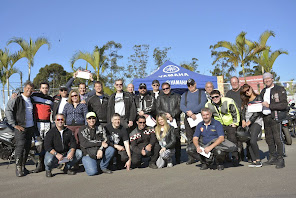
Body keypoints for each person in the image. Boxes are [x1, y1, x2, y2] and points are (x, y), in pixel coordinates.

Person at [5, 81, 38, 177]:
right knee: (20, 147)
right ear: (24, 88)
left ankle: (23, 167)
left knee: (27, 147)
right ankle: (18, 168)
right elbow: (8, 110)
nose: (29, 90)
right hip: (20, 127)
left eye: (31, 88)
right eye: (28, 88)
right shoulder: (17, 98)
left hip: (30, 127)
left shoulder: (31, 100)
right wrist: (14, 124)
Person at [205, 90, 240, 166]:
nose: (215, 98)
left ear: (220, 96)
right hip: (219, 125)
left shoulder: (229, 101)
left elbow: (235, 112)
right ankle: (225, 158)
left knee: (232, 139)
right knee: (221, 141)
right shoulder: (208, 104)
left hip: (230, 123)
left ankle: (235, 157)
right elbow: (207, 116)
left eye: (216, 96)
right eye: (213, 97)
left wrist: (235, 123)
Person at [260, 72, 288, 169]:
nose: (267, 80)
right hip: (266, 117)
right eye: (265, 79)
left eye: (268, 78)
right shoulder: (263, 91)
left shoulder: (279, 89)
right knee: (269, 139)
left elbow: (284, 104)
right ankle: (272, 157)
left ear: (272, 79)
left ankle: (280, 159)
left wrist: (270, 106)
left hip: (275, 117)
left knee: (278, 138)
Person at [180, 78, 207, 165]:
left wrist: (193, 112)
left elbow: (203, 104)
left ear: (195, 84)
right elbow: (182, 105)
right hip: (188, 118)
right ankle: (191, 157)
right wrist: (189, 113)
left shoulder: (201, 93)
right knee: (189, 138)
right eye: (189, 85)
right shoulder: (185, 94)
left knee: (201, 138)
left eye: (192, 84)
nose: (190, 86)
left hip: (198, 117)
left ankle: (203, 157)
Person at [31, 82, 54, 173]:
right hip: (38, 123)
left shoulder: (50, 99)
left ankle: (45, 163)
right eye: (43, 88)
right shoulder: (34, 95)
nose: (45, 89)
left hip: (47, 123)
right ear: (40, 88)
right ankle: (39, 164)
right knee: (38, 145)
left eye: (46, 88)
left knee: (46, 144)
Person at [156, 82, 181, 164]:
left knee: (176, 139)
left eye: (167, 88)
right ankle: (166, 157)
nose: (165, 90)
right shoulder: (160, 98)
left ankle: (178, 158)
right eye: (164, 89)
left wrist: (172, 115)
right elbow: (158, 109)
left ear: (170, 88)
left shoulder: (177, 96)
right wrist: (166, 115)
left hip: (174, 120)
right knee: (165, 139)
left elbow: (180, 107)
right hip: (164, 120)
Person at [240, 84, 263, 168]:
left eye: (248, 90)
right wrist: (243, 120)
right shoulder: (246, 101)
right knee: (249, 141)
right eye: (245, 92)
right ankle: (254, 161)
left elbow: (258, 112)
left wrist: (250, 121)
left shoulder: (258, 97)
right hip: (247, 123)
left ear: (251, 88)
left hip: (256, 122)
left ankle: (258, 160)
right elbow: (243, 112)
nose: (247, 92)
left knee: (253, 141)